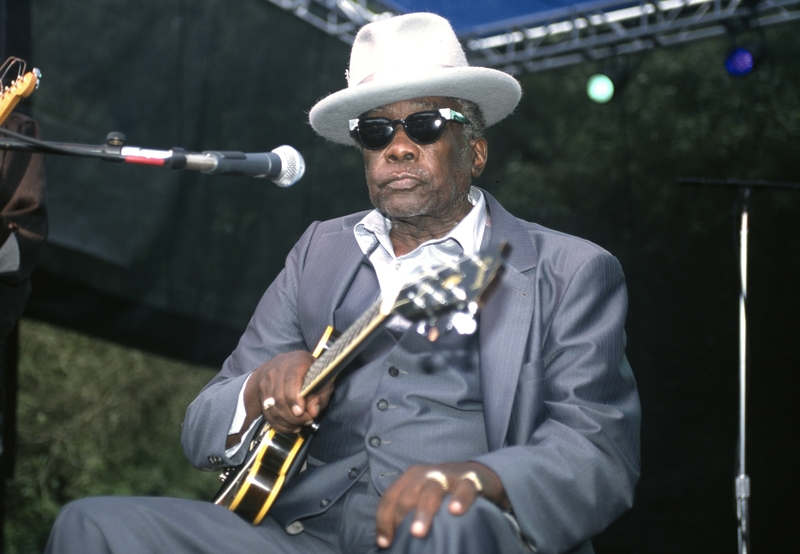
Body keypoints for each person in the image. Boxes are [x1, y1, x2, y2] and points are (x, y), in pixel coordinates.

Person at [46, 12, 640, 554]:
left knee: (448, 523)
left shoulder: (568, 269)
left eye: (426, 125)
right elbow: (201, 426)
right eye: (376, 132)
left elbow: (597, 451)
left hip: (463, 530)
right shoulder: (320, 252)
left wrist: (480, 480)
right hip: (304, 537)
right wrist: (258, 389)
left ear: (475, 152)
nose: (398, 148)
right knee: (91, 527)